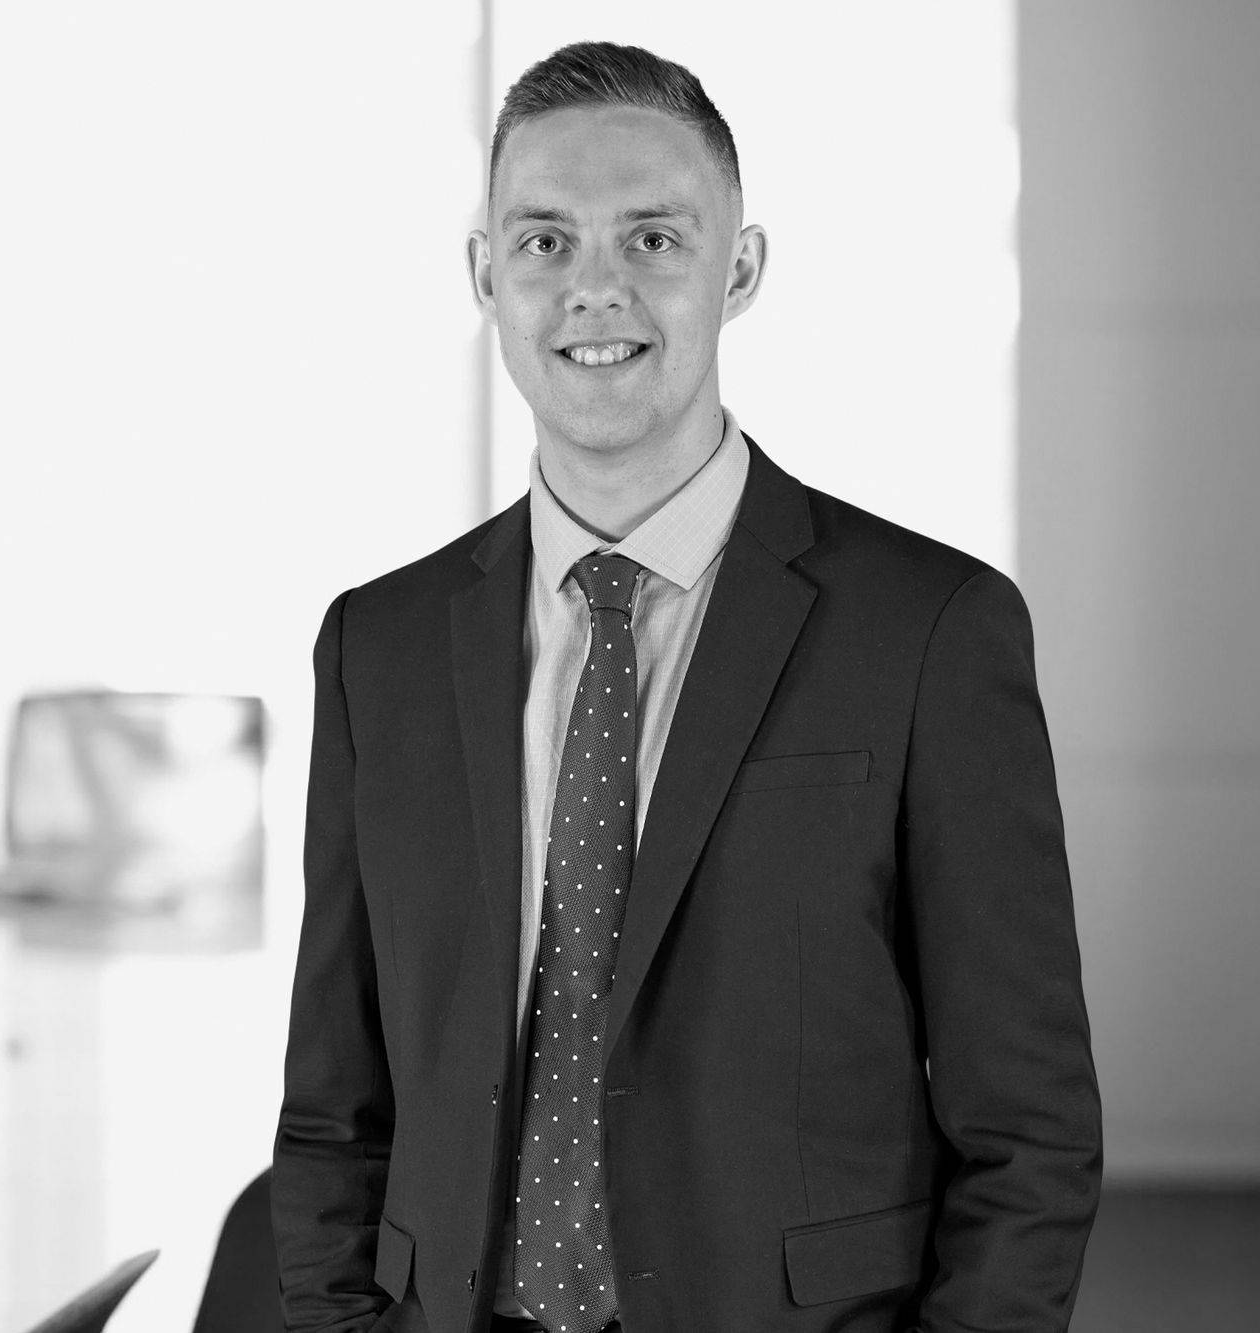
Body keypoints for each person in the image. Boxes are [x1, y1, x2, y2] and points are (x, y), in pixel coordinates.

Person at [273, 41, 1101, 1333]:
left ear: (742, 269)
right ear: (486, 275)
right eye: (545, 241)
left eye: (653, 238)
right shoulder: (377, 649)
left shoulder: (931, 632)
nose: (595, 287)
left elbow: (1028, 1130)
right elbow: (335, 1105)